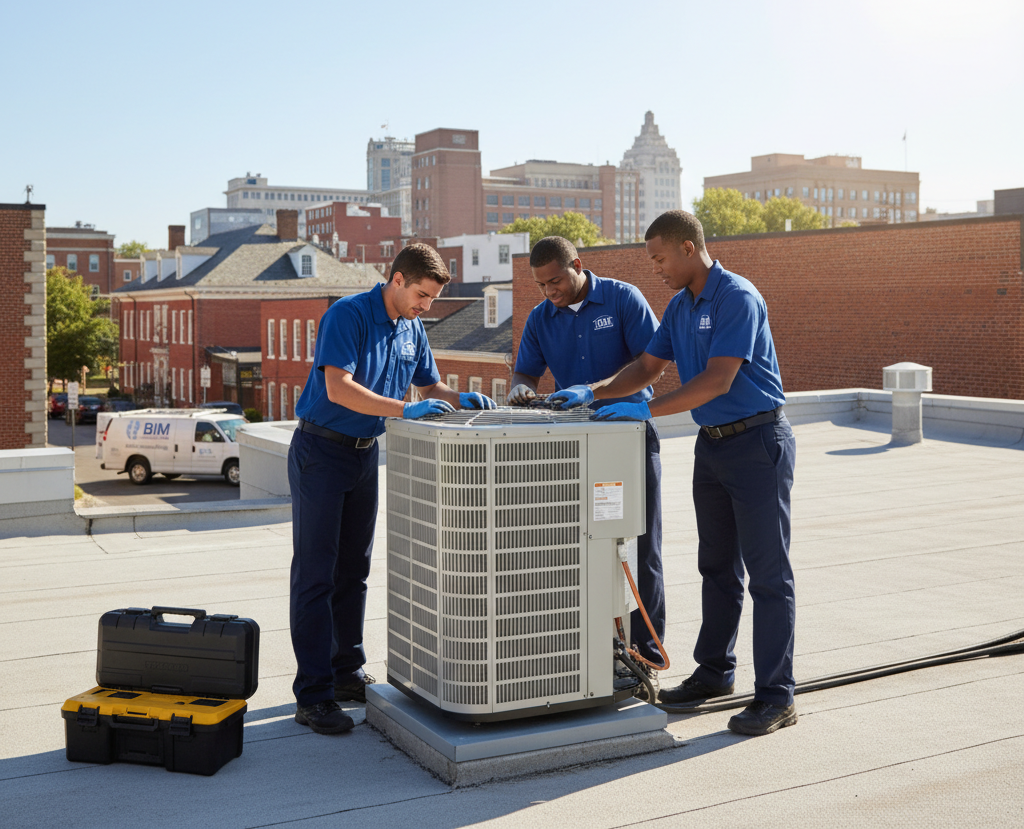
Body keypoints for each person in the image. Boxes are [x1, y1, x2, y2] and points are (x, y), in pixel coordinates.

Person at [556, 211, 797, 736]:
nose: (656, 268)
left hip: (757, 443)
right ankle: (714, 672)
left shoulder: (736, 297)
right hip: (712, 446)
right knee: (717, 567)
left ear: (689, 248)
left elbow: (717, 379)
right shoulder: (680, 306)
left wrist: (644, 410)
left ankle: (777, 696)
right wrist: (593, 392)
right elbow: (647, 367)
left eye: (660, 258)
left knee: (769, 576)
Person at [287, 243, 496, 734]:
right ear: (397, 279)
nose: (427, 306)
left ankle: (346, 673)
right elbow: (338, 387)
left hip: (364, 454)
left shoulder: (412, 327)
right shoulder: (348, 315)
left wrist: (462, 399)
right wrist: (404, 410)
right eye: (422, 295)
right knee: (316, 575)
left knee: (353, 571)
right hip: (321, 452)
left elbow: (431, 388)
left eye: (433, 299)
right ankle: (313, 696)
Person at [508, 236, 666, 691]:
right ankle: (586, 653)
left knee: (639, 549)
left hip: (627, 436)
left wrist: (595, 390)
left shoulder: (622, 299)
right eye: (541, 285)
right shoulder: (540, 318)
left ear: (577, 265)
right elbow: (525, 371)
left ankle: (646, 657)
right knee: (576, 547)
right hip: (574, 444)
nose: (550, 291)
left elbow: (652, 364)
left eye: (556, 281)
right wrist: (521, 387)